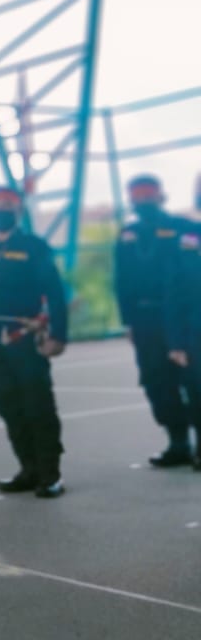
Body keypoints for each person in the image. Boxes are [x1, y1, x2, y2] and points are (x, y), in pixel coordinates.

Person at [0, 186, 69, 498]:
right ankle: (28, 468)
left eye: (7, 204)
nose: (0, 208)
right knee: (6, 403)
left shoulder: (34, 247)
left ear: (19, 209)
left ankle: (51, 474)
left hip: (22, 336)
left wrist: (58, 335)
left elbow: (55, 293)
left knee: (37, 403)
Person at [113, 175, 194, 467]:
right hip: (145, 319)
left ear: (162, 195)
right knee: (155, 380)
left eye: (149, 193)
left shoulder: (184, 228)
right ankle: (178, 442)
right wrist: (128, 322)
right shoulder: (127, 235)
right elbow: (120, 280)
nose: (143, 199)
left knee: (192, 378)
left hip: (183, 318)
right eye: (137, 194)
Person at [166, 175, 201, 471]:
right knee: (197, 391)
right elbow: (174, 292)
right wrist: (176, 341)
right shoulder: (186, 237)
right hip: (194, 330)